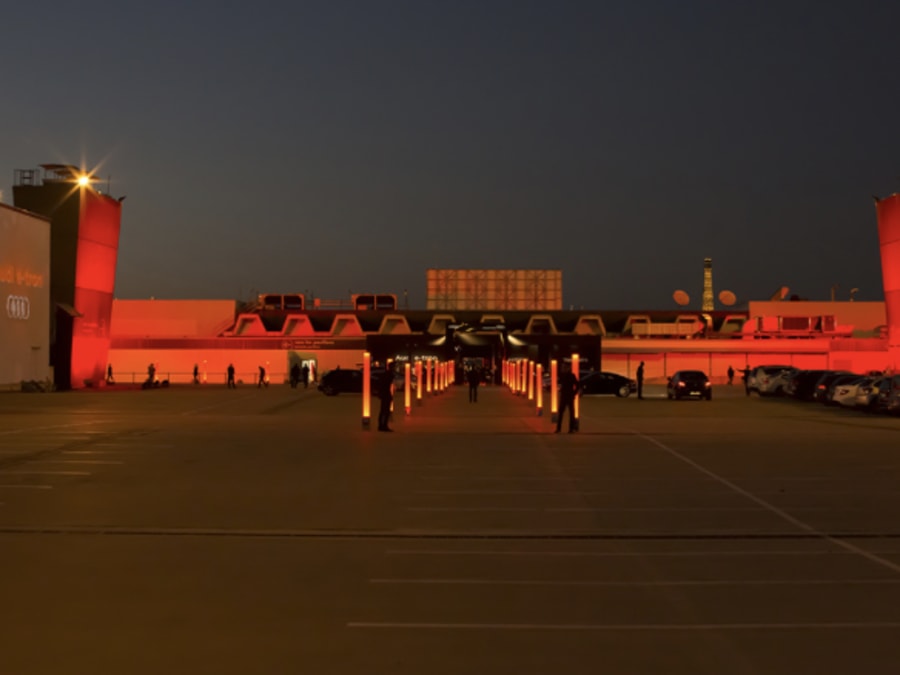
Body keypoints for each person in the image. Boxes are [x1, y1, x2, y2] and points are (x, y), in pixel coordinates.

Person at [555, 363, 582, 433]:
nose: (563, 368)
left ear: (568, 368)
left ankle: (568, 429)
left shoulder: (571, 376)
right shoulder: (563, 375)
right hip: (565, 396)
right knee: (563, 413)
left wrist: (574, 393)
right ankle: (560, 428)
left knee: (570, 413)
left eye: (564, 367)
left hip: (568, 396)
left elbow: (578, 385)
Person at [377, 364, 394, 432]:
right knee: (386, 411)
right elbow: (387, 385)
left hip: (384, 394)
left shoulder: (385, 374)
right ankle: (384, 425)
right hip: (386, 394)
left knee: (383, 410)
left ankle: (381, 425)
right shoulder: (389, 375)